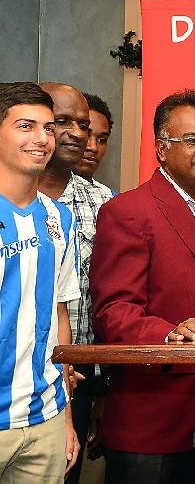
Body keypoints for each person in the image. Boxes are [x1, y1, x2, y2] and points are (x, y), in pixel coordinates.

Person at [90, 90, 195, 484]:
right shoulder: (128, 212)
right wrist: (168, 333)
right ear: (162, 149)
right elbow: (113, 312)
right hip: (153, 423)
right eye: (193, 140)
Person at [0, 82, 80, 482]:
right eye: (25, 126)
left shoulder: (59, 218)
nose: (42, 139)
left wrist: (65, 418)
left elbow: (59, 315)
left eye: (48, 128)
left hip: (43, 420)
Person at [37, 82, 115, 484]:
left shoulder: (105, 203)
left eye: (82, 124)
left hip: (77, 380)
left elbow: (111, 300)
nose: (77, 134)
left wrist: (103, 387)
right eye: (61, 121)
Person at [73, 93, 116, 195]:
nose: (93, 147)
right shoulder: (32, 194)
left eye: (102, 140)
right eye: (86, 135)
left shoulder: (109, 201)